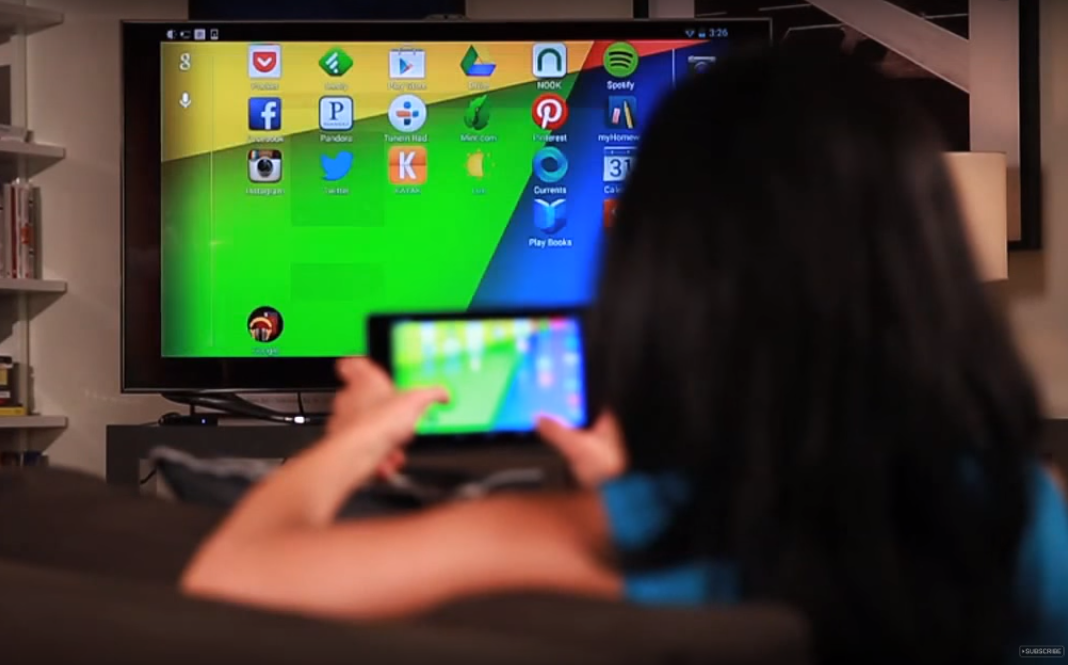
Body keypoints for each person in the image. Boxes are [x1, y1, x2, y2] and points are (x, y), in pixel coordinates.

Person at [182, 46, 1068, 664]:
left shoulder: (598, 536)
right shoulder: (1023, 509)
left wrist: (354, 441)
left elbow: (231, 576)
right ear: (926, 263)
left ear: (662, 268)